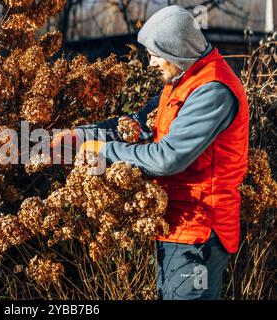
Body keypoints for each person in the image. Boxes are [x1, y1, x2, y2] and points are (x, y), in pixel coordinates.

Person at [50, 5, 249, 300]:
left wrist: (103, 152)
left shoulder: (213, 91)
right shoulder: (183, 82)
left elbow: (167, 158)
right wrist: (80, 136)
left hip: (199, 232)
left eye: (157, 54)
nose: (151, 63)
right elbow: (137, 125)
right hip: (176, 228)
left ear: (178, 49)